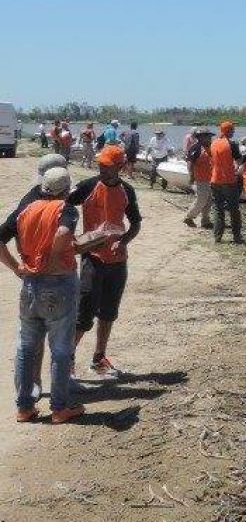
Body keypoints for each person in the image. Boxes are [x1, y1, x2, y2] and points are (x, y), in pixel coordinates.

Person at [0, 168, 85, 424]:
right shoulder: (65, 209)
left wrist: (16, 267)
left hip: (29, 286)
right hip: (58, 284)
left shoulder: (26, 209)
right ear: (66, 189)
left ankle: (24, 407)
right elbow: (61, 233)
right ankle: (59, 408)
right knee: (60, 348)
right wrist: (51, 259)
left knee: (26, 347)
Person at [68, 146, 142, 377]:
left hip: (118, 261)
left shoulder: (127, 190)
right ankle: (66, 362)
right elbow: (62, 206)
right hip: (93, 258)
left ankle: (99, 359)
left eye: (107, 166)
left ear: (120, 167)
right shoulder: (88, 186)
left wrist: (124, 241)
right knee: (84, 313)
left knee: (109, 312)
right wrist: (71, 236)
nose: (101, 168)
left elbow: (136, 223)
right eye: (100, 164)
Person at [210, 120, 244, 244]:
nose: (234, 132)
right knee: (234, 209)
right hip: (229, 180)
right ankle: (236, 236)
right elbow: (239, 161)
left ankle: (217, 237)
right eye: (233, 130)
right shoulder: (232, 144)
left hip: (215, 179)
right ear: (228, 131)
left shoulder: (214, 143)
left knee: (218, 209)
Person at [183, 129, 215, 228]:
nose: (209, 138)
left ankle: (205, 221)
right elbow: (190, 163)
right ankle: (189, 217)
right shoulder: (195, 148)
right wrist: (192, 176)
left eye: (210, 136)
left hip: (211, 178)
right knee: (201, 199)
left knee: (209, 200)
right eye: (207, 136)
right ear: (200, 137)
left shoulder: (211, 147)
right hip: (200, 178)